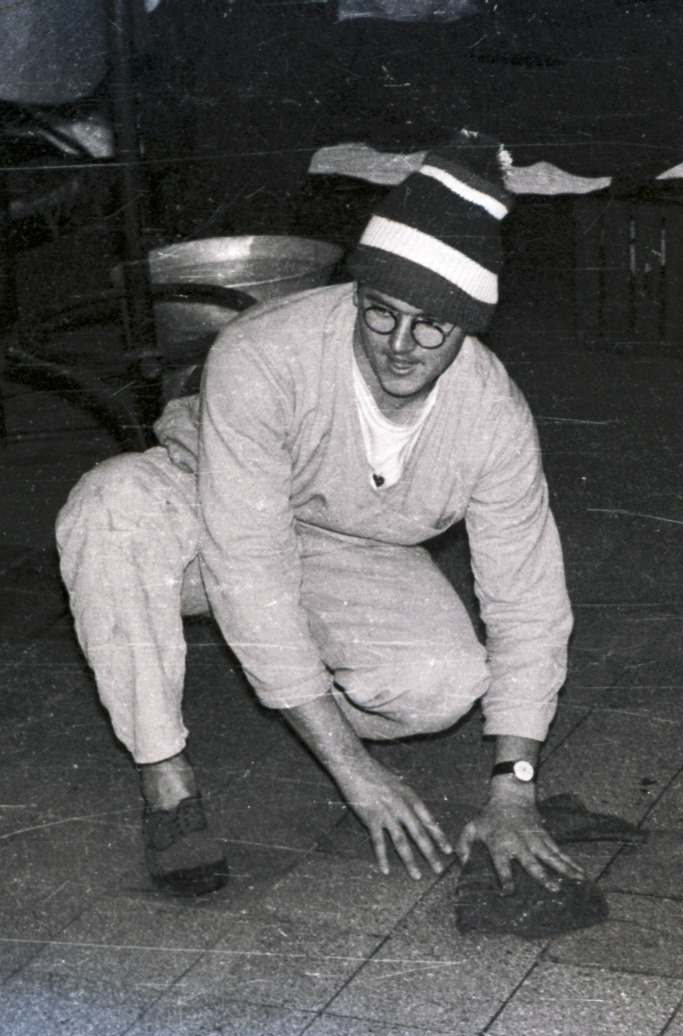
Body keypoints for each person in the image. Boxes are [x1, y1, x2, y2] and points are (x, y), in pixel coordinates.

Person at [56, 149, 583, 896]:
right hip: (207, 505)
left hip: (348, 541)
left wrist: (514, 790)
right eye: (382, 312)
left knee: (443, 685)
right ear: (357, 293)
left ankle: (290, 688)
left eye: (431, 326)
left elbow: (528, 604)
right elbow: (248, 562)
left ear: (469, 329)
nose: (399, 346)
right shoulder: (264, 350)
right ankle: (165, 773)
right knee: (109, 506)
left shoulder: (493, 418)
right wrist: (355, 772)